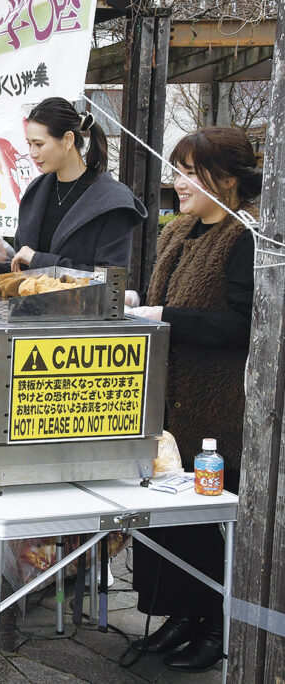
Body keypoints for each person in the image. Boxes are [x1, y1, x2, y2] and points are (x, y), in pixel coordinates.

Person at [125, 127, 260, 672]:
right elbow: (167, 299)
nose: (177, 182)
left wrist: (164, 317)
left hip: (216, 406)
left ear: (226, 179)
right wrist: (138, 302)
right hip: (166, 402)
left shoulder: (246, 237)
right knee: (168, 518)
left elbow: (243, 325)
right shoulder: (179, 229)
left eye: (189, 172)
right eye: (177, 170)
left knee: (207, 521)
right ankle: (179, 614)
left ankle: (214, 625)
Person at [0, 97, 146, 273]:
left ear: (68, 140)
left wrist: (38, 260)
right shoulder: (36, 191)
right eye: (29, 143)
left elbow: (111, 278)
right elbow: (24, 270)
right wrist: (5, 258)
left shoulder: (112, 200)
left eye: (39, 144)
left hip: (83, 294)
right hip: (30, 293)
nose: (32, 153)